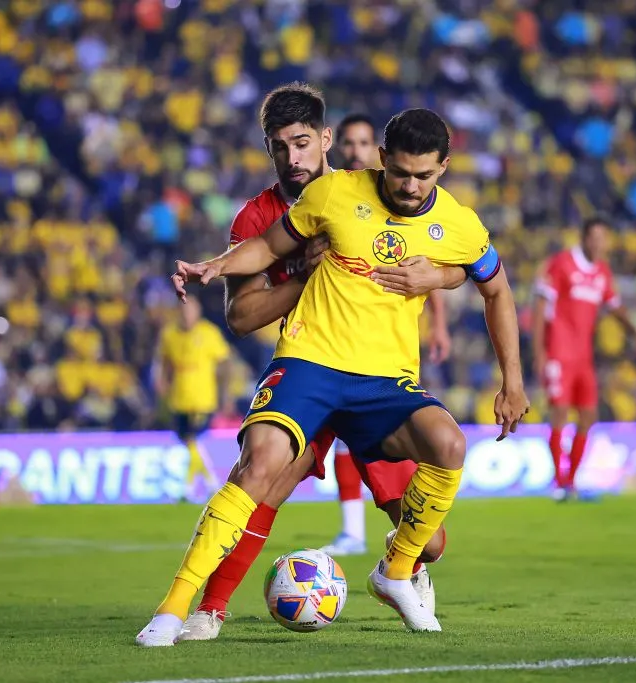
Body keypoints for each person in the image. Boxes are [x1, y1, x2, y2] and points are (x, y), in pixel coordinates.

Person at [136, 107, 529, 646]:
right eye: (400, 173)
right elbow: (267, 248)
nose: (410, 186)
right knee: (260, 468)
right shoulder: (332, 194)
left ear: (444, 167)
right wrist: (216, 265)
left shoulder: (460, 224)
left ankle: (395, 573)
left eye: (424, 175)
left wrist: (512, 380)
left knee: (449, 450)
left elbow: (497, 289)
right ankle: (177, 609)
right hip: (310, 363)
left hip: (383, 380)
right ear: (382, 159)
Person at [322, 112, 453, 558]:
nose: (355, 151)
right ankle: (352, 531)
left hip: (384, 364)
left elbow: (432, 270)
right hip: (323, 354)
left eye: (363, 143)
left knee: (429, 542)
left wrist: (438, 324)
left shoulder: (410, 206)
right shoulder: (328, 197)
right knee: (270, 468)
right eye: (349, 143)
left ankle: (403, 556)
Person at [532, 217, 636, 502]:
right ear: (583, 238)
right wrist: (539, 353)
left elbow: (615, 307)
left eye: (603, 238)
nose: (598, 243)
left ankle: (571, 481)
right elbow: (540, 307)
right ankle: (559, 482)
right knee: (559, 414)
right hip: (559, 353)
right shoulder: (562, 264)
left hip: (584, 357)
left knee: (588, 416)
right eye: (594, 237)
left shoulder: (602, 272)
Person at [154, 298, 230, 503]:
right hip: (178, 398)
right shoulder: (169, 334)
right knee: (188, 442)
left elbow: (224, 363)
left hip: (202, 398)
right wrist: (162, 380)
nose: (186, 315)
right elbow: (164, 360)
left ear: (198, 312)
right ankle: (211, 484)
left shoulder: (209, 333)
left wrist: (225, 394)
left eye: (190, 311)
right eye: (183, 311)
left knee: (192, 440)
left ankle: (190, 489)